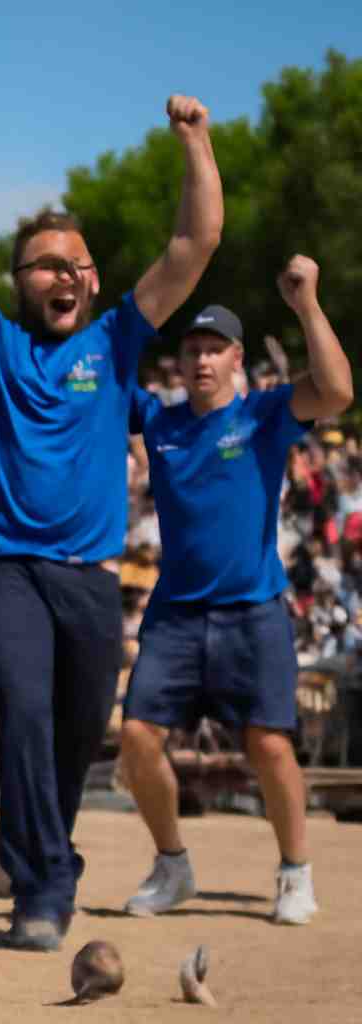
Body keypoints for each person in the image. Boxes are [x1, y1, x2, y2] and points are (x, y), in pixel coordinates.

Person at [0, 95, 222, 950]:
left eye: (74, 265)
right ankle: (47, 886)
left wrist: (197, 143)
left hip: (92, 580)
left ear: (92, 280)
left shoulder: (117, 339)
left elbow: (194, 244)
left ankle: (21, 842)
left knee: (73, 740)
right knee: (24, 711)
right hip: (4, 570)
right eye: (42, 264)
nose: (61, 275)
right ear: (17, 280)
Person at [118, 258, 350, 926]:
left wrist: (306, 303)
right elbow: (101, 384)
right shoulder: (159, 424)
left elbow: (336, 391)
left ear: (237, 359)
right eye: (190, 349)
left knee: (270, 746)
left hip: (254, 610)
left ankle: (295, 872)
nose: (200, 360)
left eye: (213, 349)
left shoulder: (264, 415)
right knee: (136, 737)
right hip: (175, 615)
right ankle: (172, 865)